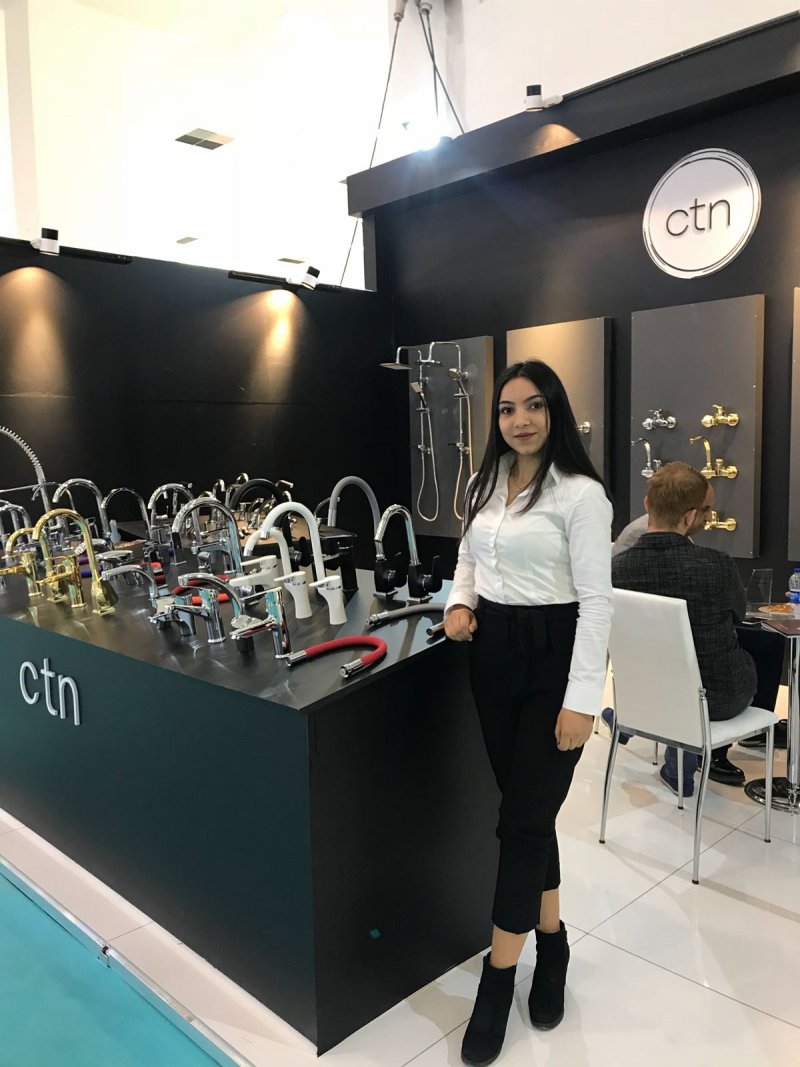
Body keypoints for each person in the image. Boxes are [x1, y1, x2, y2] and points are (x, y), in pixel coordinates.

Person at [444, 360, 612, 1065]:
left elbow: (597, 604)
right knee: (527, 812)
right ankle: (553, 942)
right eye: (508, 408)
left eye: (534, 406)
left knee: (518, 824)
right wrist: (460, 602)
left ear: (555, 412)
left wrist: (582, 701)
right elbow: (469, 558)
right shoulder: (483, 483)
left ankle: (497, 980)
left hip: (554, 660)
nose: (520, 419)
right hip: (493, 657)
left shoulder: (582, 495)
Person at [611, 462, 784, 794]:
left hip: (646, 698)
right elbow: (738, 616)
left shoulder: (615, 571)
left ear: (647, 504)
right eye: (706, 511)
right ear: (690, 516)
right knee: (761, 644)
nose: (708, 517)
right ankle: (717, 751)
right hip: (718, 701)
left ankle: (677, 746)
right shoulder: (717, 565)